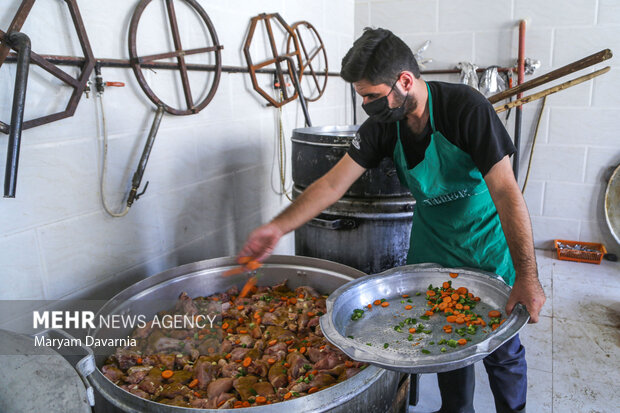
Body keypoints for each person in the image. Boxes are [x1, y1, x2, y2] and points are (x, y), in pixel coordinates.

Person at [239, 27, 545, 413]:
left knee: (501, 347)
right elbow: (333, 184)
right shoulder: (385, 126)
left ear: (404, 81)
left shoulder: (466, 108)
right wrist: (277, 227)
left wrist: (527, 277)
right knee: (446, 337)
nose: (366, 104)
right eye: (361, 96)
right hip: (433, 246)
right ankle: (456, 410)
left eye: (370, 95)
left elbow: (506, 192)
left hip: (484, 241)